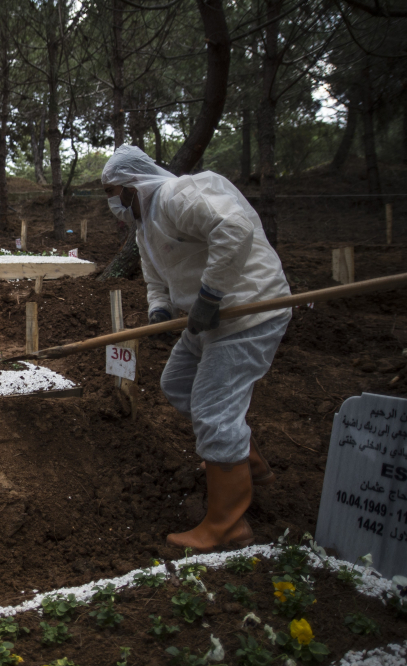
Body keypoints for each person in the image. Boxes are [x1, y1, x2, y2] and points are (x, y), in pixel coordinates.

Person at [101, 145, 291, 552]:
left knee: (212, 410)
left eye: (112, 191)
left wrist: (210, 295)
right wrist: (158, 309)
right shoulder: (145, 226)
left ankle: (227, 525)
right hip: (206, 318)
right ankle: (247, 462)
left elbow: (235, 227)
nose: (111, 202)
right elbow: (157, 277)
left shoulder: (180, 194)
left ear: (133, 185)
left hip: (246, 312)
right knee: (177, 383)